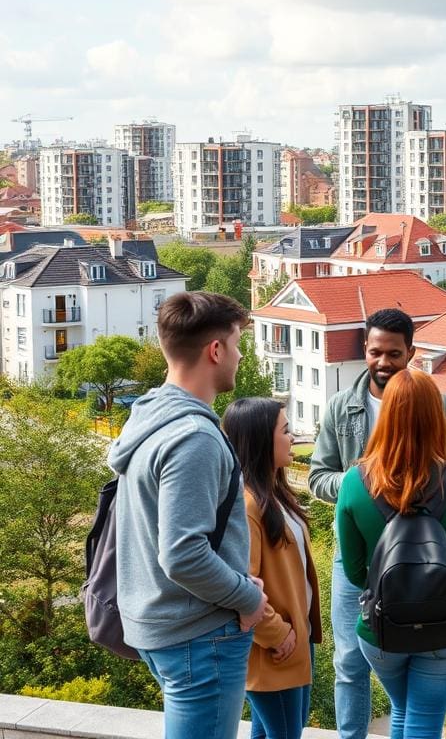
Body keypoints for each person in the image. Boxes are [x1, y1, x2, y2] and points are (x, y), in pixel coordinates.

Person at [309, 307, 446, 739]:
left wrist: (400, 491)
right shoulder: (340, 407)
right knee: (350, 662)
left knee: (406, 698)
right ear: (364, 350)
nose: (383, 363)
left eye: (393, 354)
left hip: (427, 559)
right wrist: (364, 485)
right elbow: (317, 476)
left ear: (411, 353)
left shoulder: (438, 404)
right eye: (375, 352)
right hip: (361, 554)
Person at [109, 291, 268, 739]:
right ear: (215, 350)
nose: (238, 356)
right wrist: (248, 597)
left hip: (160, 621)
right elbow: (182, 555)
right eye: (236, 344)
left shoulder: (149, 417)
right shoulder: (193, 437)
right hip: (199, 633)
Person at [335, 369, 446, 738]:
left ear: (385, 417)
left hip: (381, 629)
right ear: (437, 418)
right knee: (423, 718)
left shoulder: (355, 483)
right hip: (443, 626)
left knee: (403, 710)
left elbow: (356, 573)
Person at [223, 398, 323, 739]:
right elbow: (239, 586)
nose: (293, 437)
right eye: (285, 430)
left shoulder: (275, 495)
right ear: (262, 440)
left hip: (294, 639)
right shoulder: (248, 504)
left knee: (267, 734)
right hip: (275, 646)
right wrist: (278, 634)